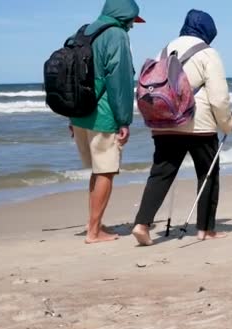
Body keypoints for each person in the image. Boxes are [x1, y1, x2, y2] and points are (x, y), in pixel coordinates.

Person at [132, 9, 232, 246]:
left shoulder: (163, 51)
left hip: (164, 121)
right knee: (207, 173)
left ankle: (141, 224)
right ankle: (205, 229)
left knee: (160, 173)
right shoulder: (207, 53)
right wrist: (228, 124)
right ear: (208, 31)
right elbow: (219, 98)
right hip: (198, 125)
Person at [70, 0, 145, 244]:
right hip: (102, 115)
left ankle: (94, 222)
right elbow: (120, 81)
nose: (132, 27)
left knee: (98, 170)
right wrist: (124, 120)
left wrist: (71, 115)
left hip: (79, 112)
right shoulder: (116, 35)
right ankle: (93, 232)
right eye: (132, 22)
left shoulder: (83, 32)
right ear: (125, 17)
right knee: (107, 170)